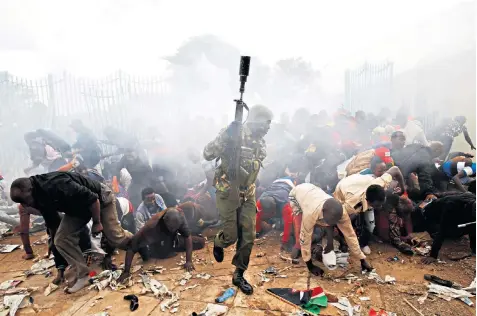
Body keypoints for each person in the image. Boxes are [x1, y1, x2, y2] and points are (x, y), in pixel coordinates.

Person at [10, 171, 132, 293]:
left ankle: (137, 242)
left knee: (115, 237)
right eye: (22, 202)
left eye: (26, 200)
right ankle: (84, 275)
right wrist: (59, 265)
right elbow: (53, 227)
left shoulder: (57, 184)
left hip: (100, 199)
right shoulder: (37, 198)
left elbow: (93, 199)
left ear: (31, 189)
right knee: (60, 239)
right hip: (77, 209)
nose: (26, 204)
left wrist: (97, 223)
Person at [203, 104, 273, 295]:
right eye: (266, 123)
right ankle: (219, 242)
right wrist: (227, 136)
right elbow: (207, 153)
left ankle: (239, 274)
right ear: (256, 121)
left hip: (248, 193)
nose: (268, 128)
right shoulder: (233, 133)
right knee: (231, 235)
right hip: (227, 190)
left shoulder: (261, 142)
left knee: (249, 236)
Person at [289, 183, 373, 275]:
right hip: (297, 194)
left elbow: (350, 235)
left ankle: (319, 244)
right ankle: (297, 245)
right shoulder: (310, 213)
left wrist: (362, 259)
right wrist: (310, 265)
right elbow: (305, 237)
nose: (332, 223)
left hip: (313, 192)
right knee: (301, 226)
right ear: (323, 212)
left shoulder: (342, 213)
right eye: (329, 220)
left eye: (335, 221)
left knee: (327, 227)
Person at [118, 208, 205, 282]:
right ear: (165, 220)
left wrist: (189, 261)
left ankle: (191, 235)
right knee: (159, 254)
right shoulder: (152, 225)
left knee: (201, 242)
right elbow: (132, 246)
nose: (173, 229)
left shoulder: (180, 218)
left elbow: (187, 237)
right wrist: (126, 271)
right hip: (156, 240)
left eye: (175, 227)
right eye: (171, 227)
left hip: (173, 238)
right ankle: (145, 248)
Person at [333, 166, 406, 254]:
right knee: (348, 221)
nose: (380, 207)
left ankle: (364, 240)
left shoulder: (380, 183)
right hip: (343, 190)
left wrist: (403, 188)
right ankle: (344, 242)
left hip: (360, 182)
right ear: (368, 202)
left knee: (370, 226)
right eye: (377, 205)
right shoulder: (351, 205)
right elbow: (341, 219)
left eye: (382, 203)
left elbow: (395, 169)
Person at [421, 192, 476, 264]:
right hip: (430, 215)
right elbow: (442, 230)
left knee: (471, 225)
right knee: (451, 232)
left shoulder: (472, 197)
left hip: (448, 209)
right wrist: (433, 255)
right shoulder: (452, 206)